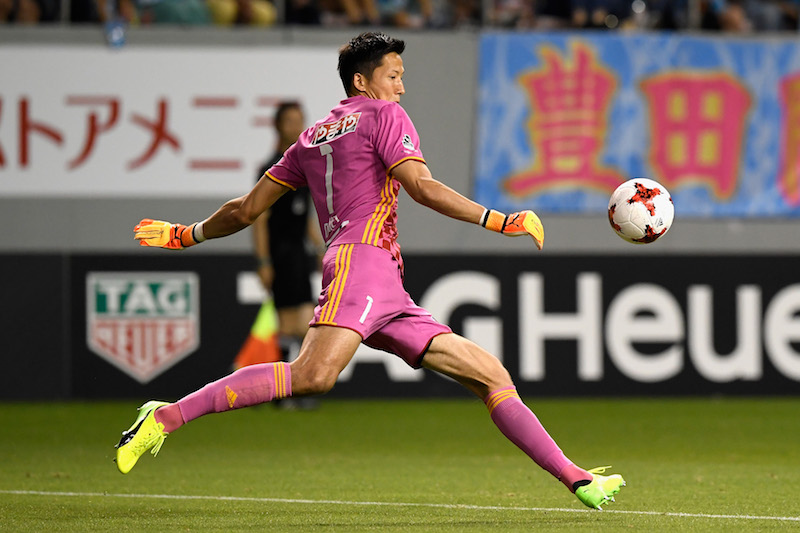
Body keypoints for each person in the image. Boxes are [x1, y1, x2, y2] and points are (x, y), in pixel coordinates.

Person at [116, 31, 625, 511]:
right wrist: (498, 219)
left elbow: (246, 209)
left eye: (402, 77)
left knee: (490, 375)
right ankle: (166, 415)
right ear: (362, 81)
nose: (401, 87)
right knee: (312, 376)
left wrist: (189, 234)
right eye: (393, 76)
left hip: (382, 282)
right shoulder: (385, 116)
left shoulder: (310, 138)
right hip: (361, 265)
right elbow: (422, 187)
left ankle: (577, 479)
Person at [237, 101, 323, 409]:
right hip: (281, 254)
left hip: (300, 253)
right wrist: (263, 261)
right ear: (277, 126)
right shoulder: (271, 168)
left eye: (300, 120)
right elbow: (259, 218)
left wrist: (319, 247)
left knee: (305, 322)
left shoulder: (304, 164)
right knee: (289, 324)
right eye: (290, 121)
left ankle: (292, 388)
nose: (296, 126)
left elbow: (306, 215)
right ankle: (282, 392)